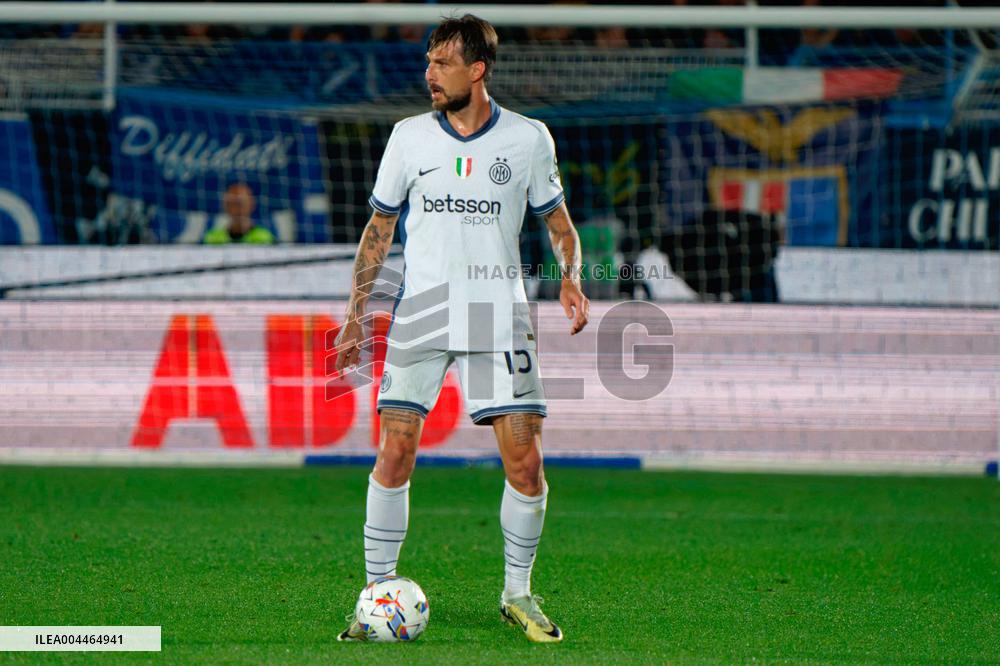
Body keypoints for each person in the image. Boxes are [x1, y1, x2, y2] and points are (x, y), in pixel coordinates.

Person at [333, 14, 589, 644]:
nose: (429, 74)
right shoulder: (407, 138)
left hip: (498, 316)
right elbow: (378, 231)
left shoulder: (528, 139)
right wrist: (354, 314)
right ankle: (375, 596)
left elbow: (559, 224)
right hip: (422, 311)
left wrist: (571, 276)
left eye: (442, 63)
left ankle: (518, 594)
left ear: (477, 69)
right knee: (395, 451)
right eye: (427, 61)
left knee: (525, 464)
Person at [203, 183, 275, 245]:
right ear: (225, 206)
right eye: (232, 203)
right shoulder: (212, 238)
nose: (237, 209)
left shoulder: (264, 237)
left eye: (241, 203)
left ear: (251, 205)